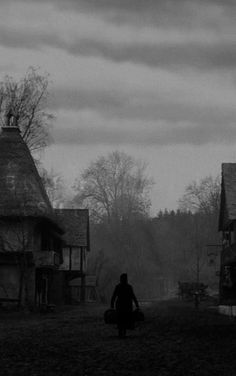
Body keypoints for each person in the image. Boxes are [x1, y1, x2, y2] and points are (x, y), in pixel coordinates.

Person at [111, 273, 139, 338]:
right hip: (127, 305)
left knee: (120, 319)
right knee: (126, 318)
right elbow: (133, 296)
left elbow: (114, 296)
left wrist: (112, 305)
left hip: (120, 305)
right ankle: (124, 332)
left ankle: (120, 332)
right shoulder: (129, 287)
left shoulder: (118, 287)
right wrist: (137, 305)